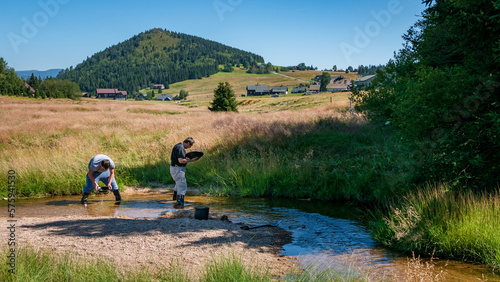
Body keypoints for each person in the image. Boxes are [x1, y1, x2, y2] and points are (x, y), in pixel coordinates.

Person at [170, 137, 199, 207]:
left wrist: (186, 159)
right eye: (190, 146)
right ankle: (180, 205)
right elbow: (180, 161)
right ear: (188, 143)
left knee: (178, 184)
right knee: (182, 186)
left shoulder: (178, 146)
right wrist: (192, 160)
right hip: (178, 169)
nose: (190, 147)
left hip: (174, 168)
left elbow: (179, 158)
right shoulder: (181, 148)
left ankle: (174, 200)